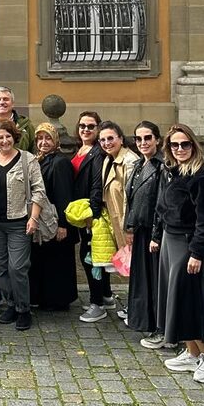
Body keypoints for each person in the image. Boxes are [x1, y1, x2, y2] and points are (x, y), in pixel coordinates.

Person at [154, 124, 204, 383]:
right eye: (175, 145)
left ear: (194, 146)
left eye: (185, 144)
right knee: (175, 300)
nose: (180, 149)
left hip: (187, 244)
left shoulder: (201, 177)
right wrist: (156, 236)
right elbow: (161, 210)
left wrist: (196, 252)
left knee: (190, 302)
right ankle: (192, 352)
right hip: (170, 241)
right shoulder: (172, 172)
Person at [0, 119, 47, 331]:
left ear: (14, 137)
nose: (4, 140)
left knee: (18, 268)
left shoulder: (27, 160)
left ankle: (24, 309)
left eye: (7, 136)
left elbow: (38, 191)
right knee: (2, 267)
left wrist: (33, 218)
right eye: (0, 137)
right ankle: (11, 305)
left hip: (19, 223)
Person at [91, 121, 138, 319]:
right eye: (102, 139)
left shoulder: (129, 161)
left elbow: (133, 198)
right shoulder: (108, 159)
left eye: (111, 138)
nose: (106, 142)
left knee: (137, 269)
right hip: (117, 222)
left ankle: (138, 310)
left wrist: (131, 228)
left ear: (120, 138)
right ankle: (135, 307)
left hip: (129, 225)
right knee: (130, 268)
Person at [73, 112, 116, 322]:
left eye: (91, 126)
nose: (86, 130)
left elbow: (97, 185)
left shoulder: (98, 153)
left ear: (98, 128)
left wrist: (93, 214)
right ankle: (106, 295)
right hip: (82, 212)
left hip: (91, 212)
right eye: (82, 125)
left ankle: (97, 303)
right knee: (96, 254)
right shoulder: (81, 149)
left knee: (90, 257)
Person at [29, 123, 77, 312]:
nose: (43, 142)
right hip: (43, 221)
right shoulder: (39, 160)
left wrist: (63, 225)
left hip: (56, 221)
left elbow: (64, 195)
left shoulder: (60, 162)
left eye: (48, 138)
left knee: (58, 262)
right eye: (40, 138)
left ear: (55, 140)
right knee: (46, 261)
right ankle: (44, 297)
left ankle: (58, 299)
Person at [125, 121, 166, 341]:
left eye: (147, 138)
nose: (142, 143)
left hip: (154, 233)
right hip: (140, 230)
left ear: (157, 140)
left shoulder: (162, 165)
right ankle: (148, 322)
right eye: (138, 139)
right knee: (143, 281)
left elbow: (161, 203)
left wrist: (156, 236)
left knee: (156, 282)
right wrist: (129, 227)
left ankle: (162, 328)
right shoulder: (139, 165)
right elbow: (131, 200)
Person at [0, 86, 36, 153]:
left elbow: (34, 149)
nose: (2, 102)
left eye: (6, 99)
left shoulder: (26, 125)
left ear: (12, 103)